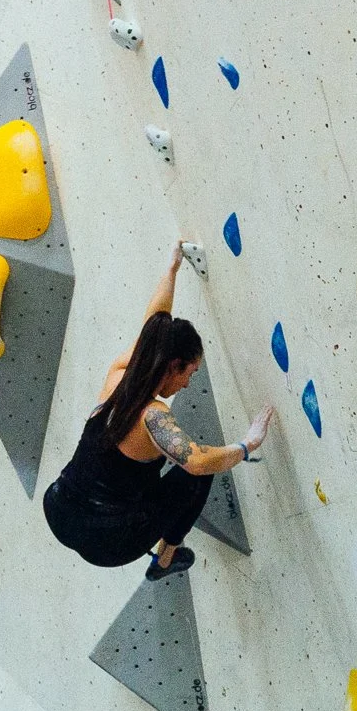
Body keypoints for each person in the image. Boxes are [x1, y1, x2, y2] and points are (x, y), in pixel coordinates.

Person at [43, 244, 271, 579]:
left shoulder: (121, 372)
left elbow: (155, 323)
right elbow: (197, 460)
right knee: (197, 478)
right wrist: (247, 444)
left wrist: (171, 270)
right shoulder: (153, 417)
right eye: (189, 373)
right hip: (108, 542)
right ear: (174, 366)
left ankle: (152, 536)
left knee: (134, 476)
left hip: (60, 508)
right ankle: (165, 560)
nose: (187, 384)